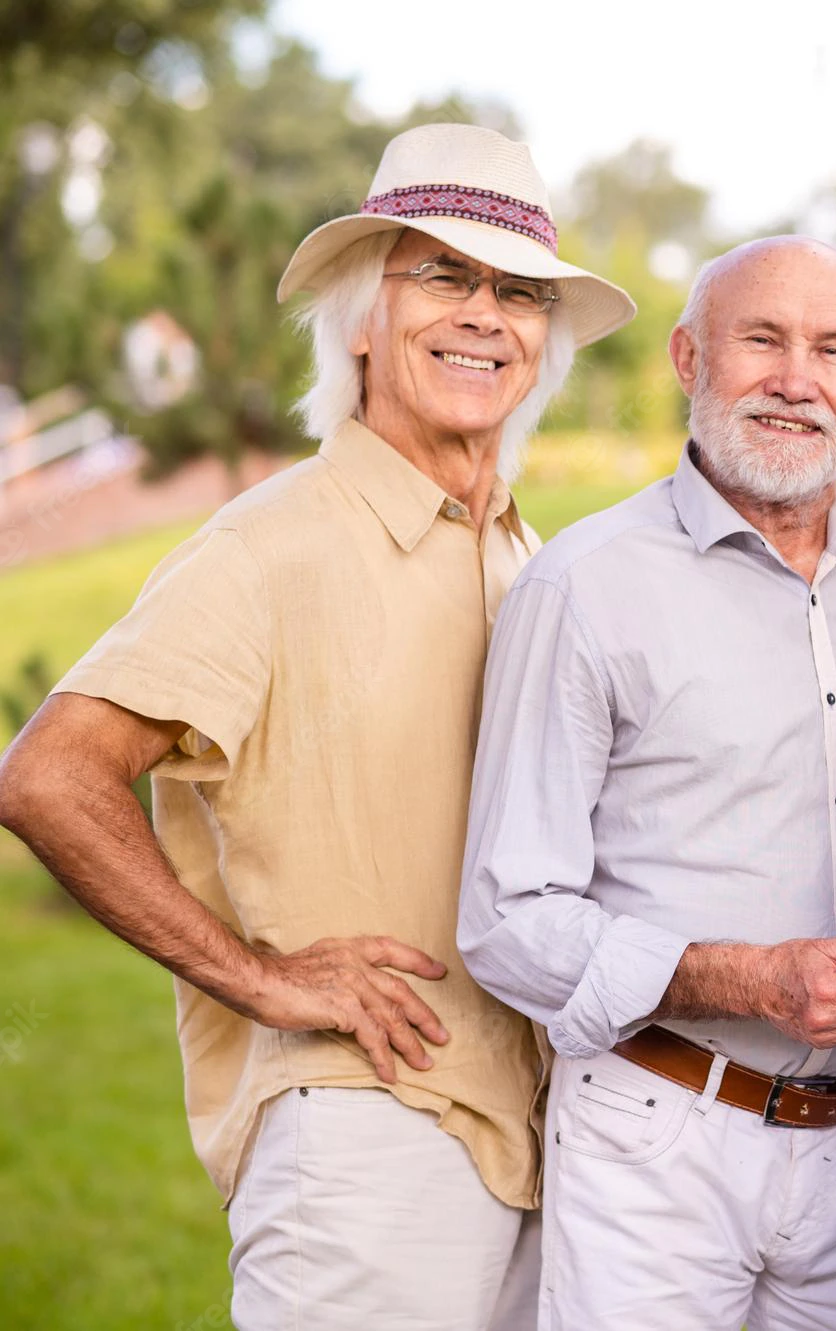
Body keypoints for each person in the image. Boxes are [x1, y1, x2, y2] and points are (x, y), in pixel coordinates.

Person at [0, 123, 634, 1329]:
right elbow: (50, 775)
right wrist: (262, 978)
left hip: (544, 1137)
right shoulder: (270, 545)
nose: (484, 314)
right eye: (441, 274)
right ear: (359, 317)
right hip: (365, 1137)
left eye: (516, 291)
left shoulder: (530, 557)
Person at [454, 235, 836, 1330]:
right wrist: (743, 977)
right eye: (762, 339)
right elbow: (505, 918)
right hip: (661, 1138)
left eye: (833, 348)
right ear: (688, 358)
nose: (797, 378)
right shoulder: (583, 587)